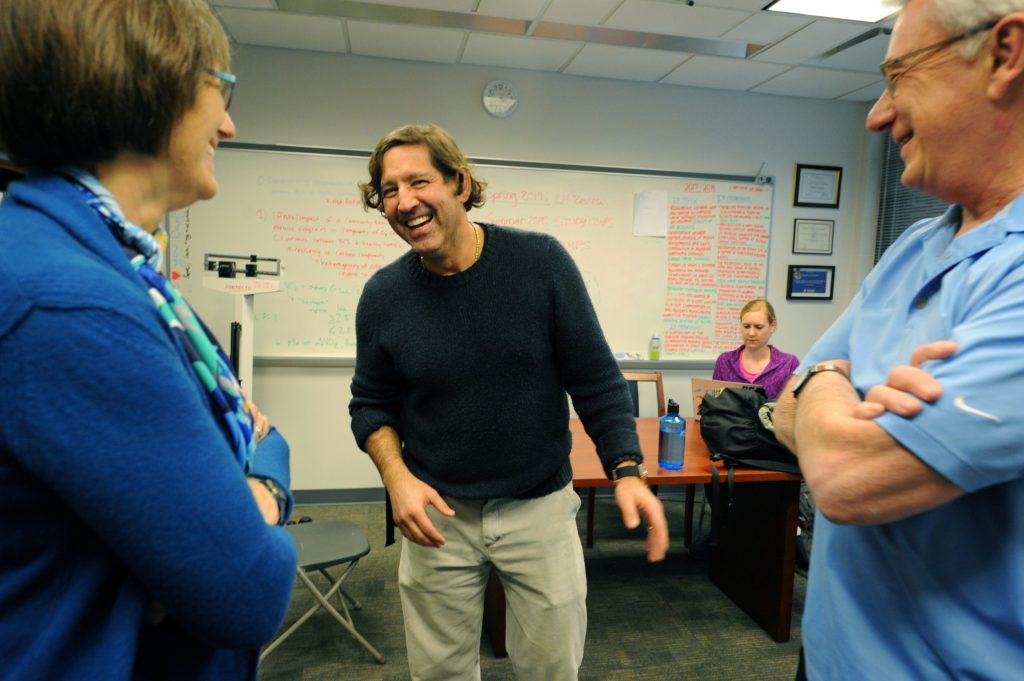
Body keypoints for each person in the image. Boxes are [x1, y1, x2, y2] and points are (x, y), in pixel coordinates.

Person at [0, 1, 298, 679]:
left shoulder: (114, 267)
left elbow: (243, 440)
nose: (229, 122)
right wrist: (268, 490)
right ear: (149, 82)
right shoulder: (66, 300)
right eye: (218, 91)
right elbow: (248, 586)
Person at [349, 123, 668, 681]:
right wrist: (396, 477)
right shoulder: (383, 296)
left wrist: (627, 470)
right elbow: (370, 405)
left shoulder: (540, 263)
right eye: (389, 191)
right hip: (437, 516)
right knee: (439, 673)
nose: (404, 202)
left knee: (551, 669)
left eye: (418, 181)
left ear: (461, 183)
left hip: (538, 508)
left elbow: (595, 378)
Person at [773, 1, 1024, 679]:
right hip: (826, 657)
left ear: (1005, 53)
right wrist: (832, 391)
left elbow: (847, 478)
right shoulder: (916, 243)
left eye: (899, 75)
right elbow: (783, 408)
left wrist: (825, 380)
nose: (876, 114)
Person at [712, 299, 800, 399]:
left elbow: (795, 404)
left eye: (758, 327)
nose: (751, 333)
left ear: (772, 326)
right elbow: (714, 401)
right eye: (746, 326)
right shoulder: (725, 361)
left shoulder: (788, 364)